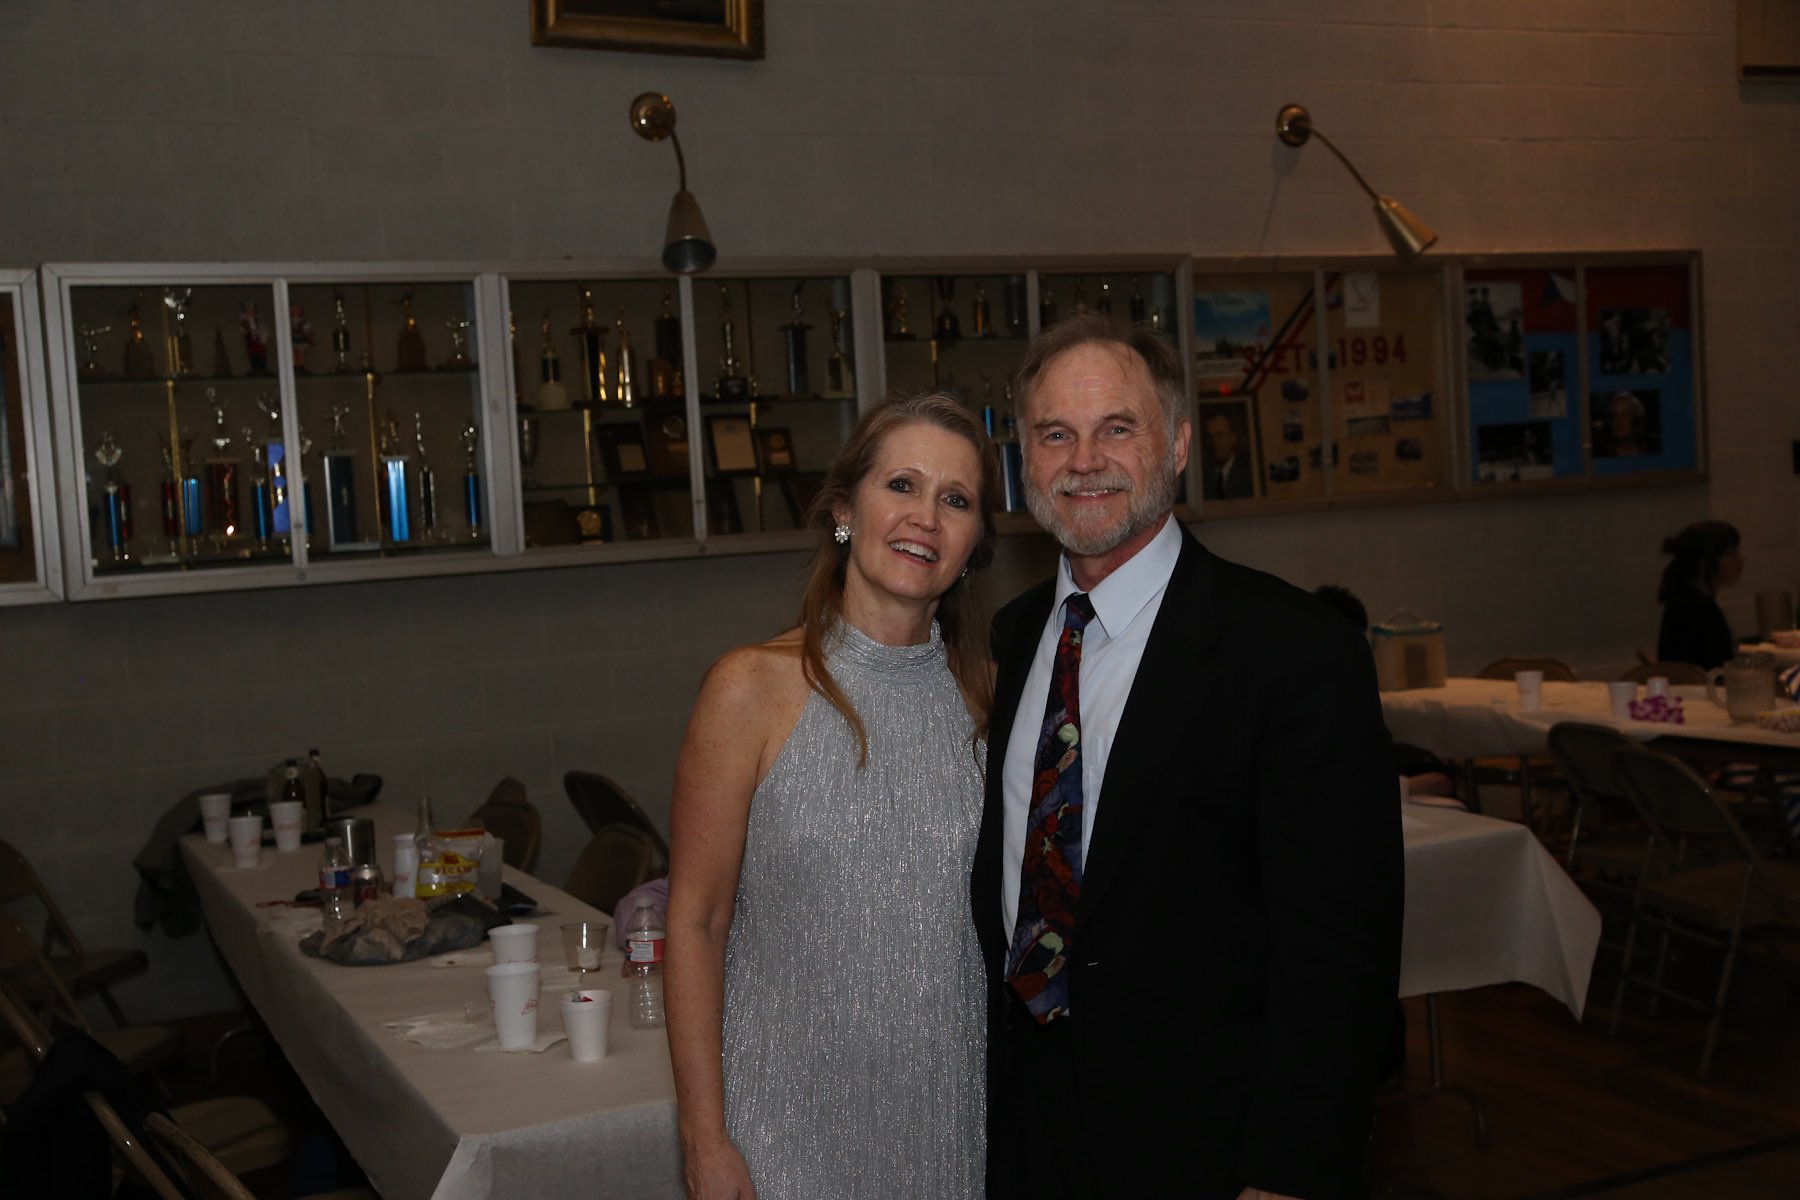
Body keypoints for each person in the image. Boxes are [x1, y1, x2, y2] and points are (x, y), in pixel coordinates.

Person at [975, 314, 1402, 1199]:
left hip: (1208, 1144)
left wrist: (1288, 1171)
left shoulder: (1293, 652)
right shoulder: (1015, 638)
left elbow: (1339, 952)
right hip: (1026, 1130)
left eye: (1115, 428)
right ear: (1025, 458)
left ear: (1175, 445)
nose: (1084, 461)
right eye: (1055, 434)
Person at [665, 393, 999, 1200]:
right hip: (780, 1137)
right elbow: (696, 921)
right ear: (845, 509)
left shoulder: (995, 700)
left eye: (955, 500)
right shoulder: (749, 689)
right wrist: (705, 1139)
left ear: (973, 543)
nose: (925, 517)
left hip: (949, 1130)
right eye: (902, 485)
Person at [1656, 519, 1742, 670]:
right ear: (1705, 562)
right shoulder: (1699, 609)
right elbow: (1717, 669)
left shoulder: (1684, 599)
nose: (1740, 558)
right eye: (1730, 553)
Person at [1201, 410, 1255, 500]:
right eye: (1209, 436)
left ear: (1233, 438)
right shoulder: (1202, 477)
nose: (1214, 442)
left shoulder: (1251, 474)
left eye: (1219, 435)